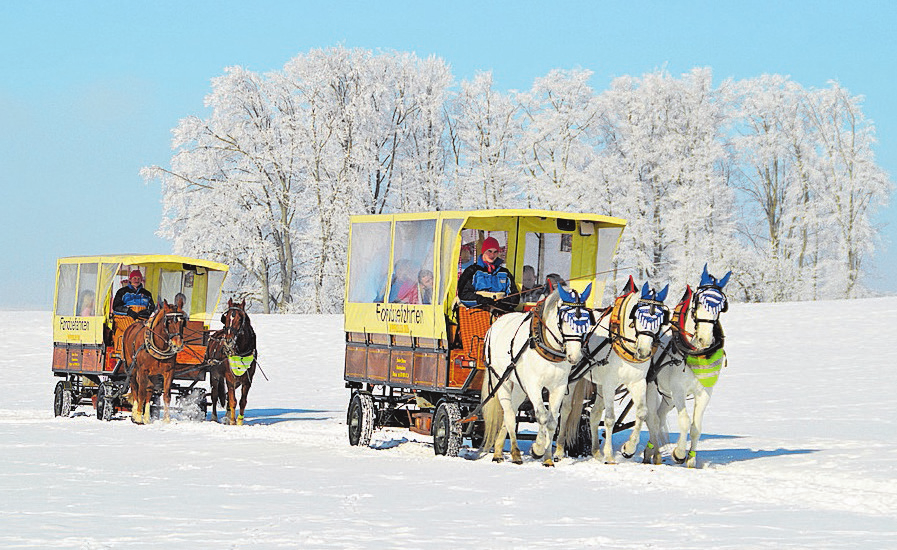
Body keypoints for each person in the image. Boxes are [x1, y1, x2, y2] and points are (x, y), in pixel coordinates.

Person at [457, 237, 519, 314]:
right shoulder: (472, 271)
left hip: (501, 312)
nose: (492, 255)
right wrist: (482, 300)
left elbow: (515, 297)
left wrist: (503, 302)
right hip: (477, 312)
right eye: (489, 251)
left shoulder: (505, 273)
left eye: (495, 252)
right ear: (483, 251)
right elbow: (464, 295)